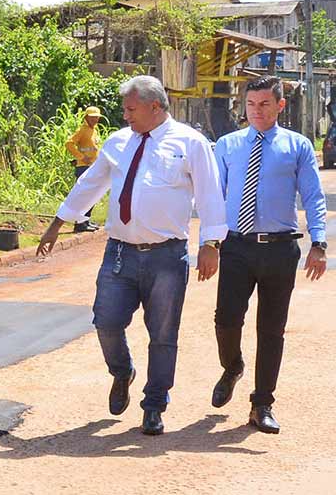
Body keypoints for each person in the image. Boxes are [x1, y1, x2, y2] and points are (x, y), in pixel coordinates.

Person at [37, 75, 227, 436]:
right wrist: (58, 222)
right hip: (120, 253)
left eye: (130, 109)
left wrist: (210, 243)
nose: (124, 115)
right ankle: (122, 371)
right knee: (106, 322)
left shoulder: (190, 142)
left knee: (163, 333)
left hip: (167, 257)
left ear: (155, 107)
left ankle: (154, 405)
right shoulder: (118, 142)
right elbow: (90, 184)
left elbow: (209, 194)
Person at [210, 75, 327, 434]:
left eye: (264, 104)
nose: (256, 111)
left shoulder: (298, 146)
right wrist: (210, 244)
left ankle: (262, 403)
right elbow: (215, 198)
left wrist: (318, 243)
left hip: (279, 249)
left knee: (271, 329)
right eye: (250, 104)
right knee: (226, 319)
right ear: (243, 106)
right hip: (236, 247)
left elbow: (312, 195)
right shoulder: (227, 145)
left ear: (279, 105)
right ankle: (232, 366)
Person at [65, 106, 103, 233]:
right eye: (92, 117)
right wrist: (80, 157)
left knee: (92, 196)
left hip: (93, 167)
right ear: (86, 117)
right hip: (83, 167)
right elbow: (69, 143)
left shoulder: (94, 131)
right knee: (84, 196)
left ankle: (85, 221)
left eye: (97, 117)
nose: (95, 119)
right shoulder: (82, 130)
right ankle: (79, 224)